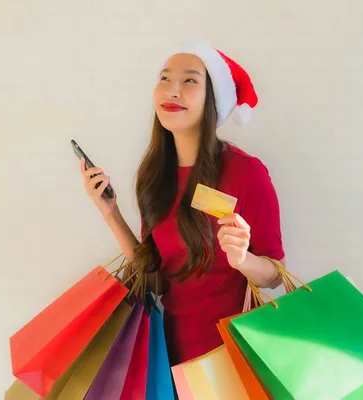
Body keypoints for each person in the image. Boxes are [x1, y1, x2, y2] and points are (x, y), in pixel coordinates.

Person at [79, 42, 286, 366]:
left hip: (230, 359)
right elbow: (154, 279)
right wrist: (112, 214)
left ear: (213, 100)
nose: (172, 90)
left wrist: (242, 260)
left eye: (189, 81)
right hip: (168, 359)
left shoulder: (246, 172)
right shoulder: (154, 175)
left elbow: (276, 276)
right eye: (164, 79)